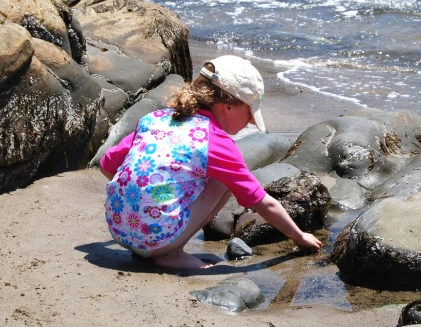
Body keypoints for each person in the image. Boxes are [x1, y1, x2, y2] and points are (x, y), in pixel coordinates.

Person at [99, 54, 323, 270]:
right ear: (228, 106)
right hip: (158, 241)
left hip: (117, 227)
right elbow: (262, 202)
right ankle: (172, 253)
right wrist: (299, 236)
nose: (249, 124)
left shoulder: (155, 118)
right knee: (222, 181)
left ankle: (156, 235)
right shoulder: (216, 141)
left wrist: (142, 197)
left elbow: (107, 165)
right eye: (249, 115)